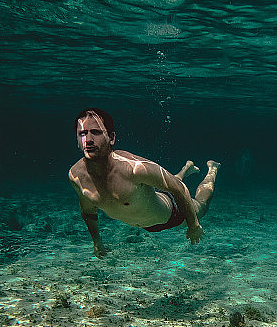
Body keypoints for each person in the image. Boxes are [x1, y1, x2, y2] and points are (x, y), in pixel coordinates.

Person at [68, 107, 220, 258]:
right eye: (82, 133)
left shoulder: (134, 169)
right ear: (77, 140)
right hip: (148, 200)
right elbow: (88, 211)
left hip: (173, 213)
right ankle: (186, 168)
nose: (88, 139)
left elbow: (179, 189)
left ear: (112, 138)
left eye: (96, 132)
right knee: (164, 186)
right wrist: (97, 242)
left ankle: (212, 169)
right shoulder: (76, 176)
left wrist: (193, 225)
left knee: (202, 206)